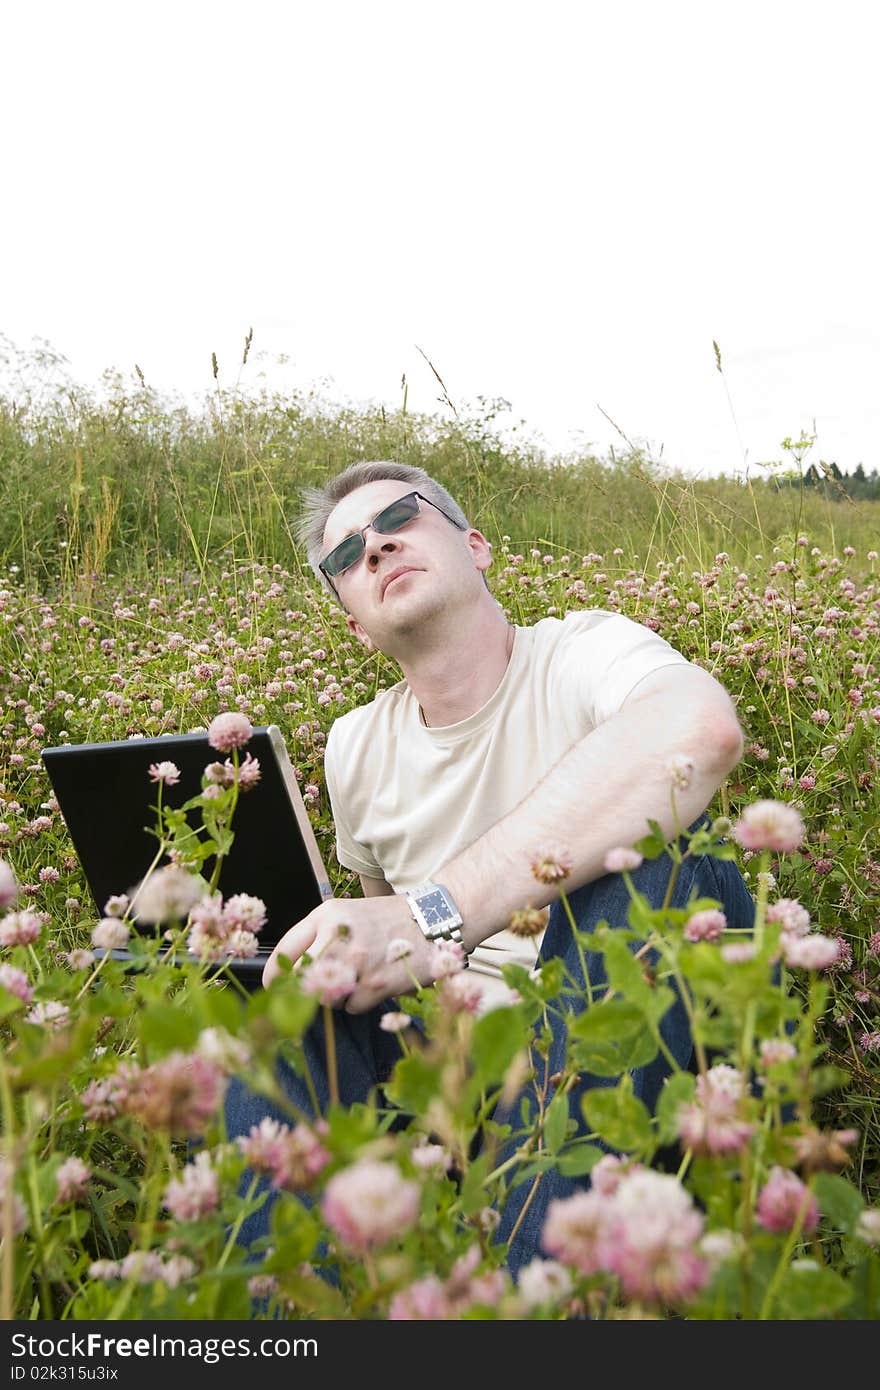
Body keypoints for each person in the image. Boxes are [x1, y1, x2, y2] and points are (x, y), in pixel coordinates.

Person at [224, 459, 756, 1274]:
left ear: (476, 545)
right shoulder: (354, 747)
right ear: (355, 625)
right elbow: (388, 958)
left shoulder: (584, 650)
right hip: (465, 1066)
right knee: (290, 1019)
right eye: (344, 555)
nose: (374, 547)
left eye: (401, 516)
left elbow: (698, 730)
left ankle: (528, 1289)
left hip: (640, 1030)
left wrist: (425, 914)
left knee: (660, 863)